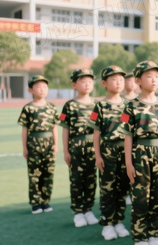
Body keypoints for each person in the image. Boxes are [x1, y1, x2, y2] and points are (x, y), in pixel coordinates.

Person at [117, 61, 158, 245]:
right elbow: (127, 136)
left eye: (156, 76)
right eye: (149, 76)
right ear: (138, 80)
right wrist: (129, 162)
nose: (154, 80)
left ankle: (154, 234)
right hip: (140, 154)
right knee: (140, 199)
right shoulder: (130, 106)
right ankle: (140, 239)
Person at [89, 66, 132, 241]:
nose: (119, 82)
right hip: (108, 151)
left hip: (125, 150)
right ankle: (107, 223)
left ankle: (118, 220)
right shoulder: (100, 106)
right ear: (104, 83)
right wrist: (98, 156)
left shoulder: (128, 105)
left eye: (121, 79)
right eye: (114, 79)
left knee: (122, 187)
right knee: (108, 188)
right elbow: (96, 133)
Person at [60, 69, 99, 228]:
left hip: (93, 147)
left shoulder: (96, 105)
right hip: (75, 147)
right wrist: (66, 151)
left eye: (90, 81)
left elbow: (98, 130)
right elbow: (65, 128)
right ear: (74, 84)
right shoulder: (69, 105)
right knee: (76, 180)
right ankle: (78, 212)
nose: (87, 84)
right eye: (83, 81)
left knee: (91, 180)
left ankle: (88, 209)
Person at [18, 75, 58, 214]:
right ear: (31, 90)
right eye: (38, 86)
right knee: (35, 174)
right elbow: (25, 129)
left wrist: (56, 145)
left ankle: (45, 201)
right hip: (34, 143)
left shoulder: (52, 107)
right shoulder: (28, 108)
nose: (42, 89)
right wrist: (25, 148)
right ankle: (35, 202)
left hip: (49, 144)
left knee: (48, 174)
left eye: (45, 86)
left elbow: (54, 127)